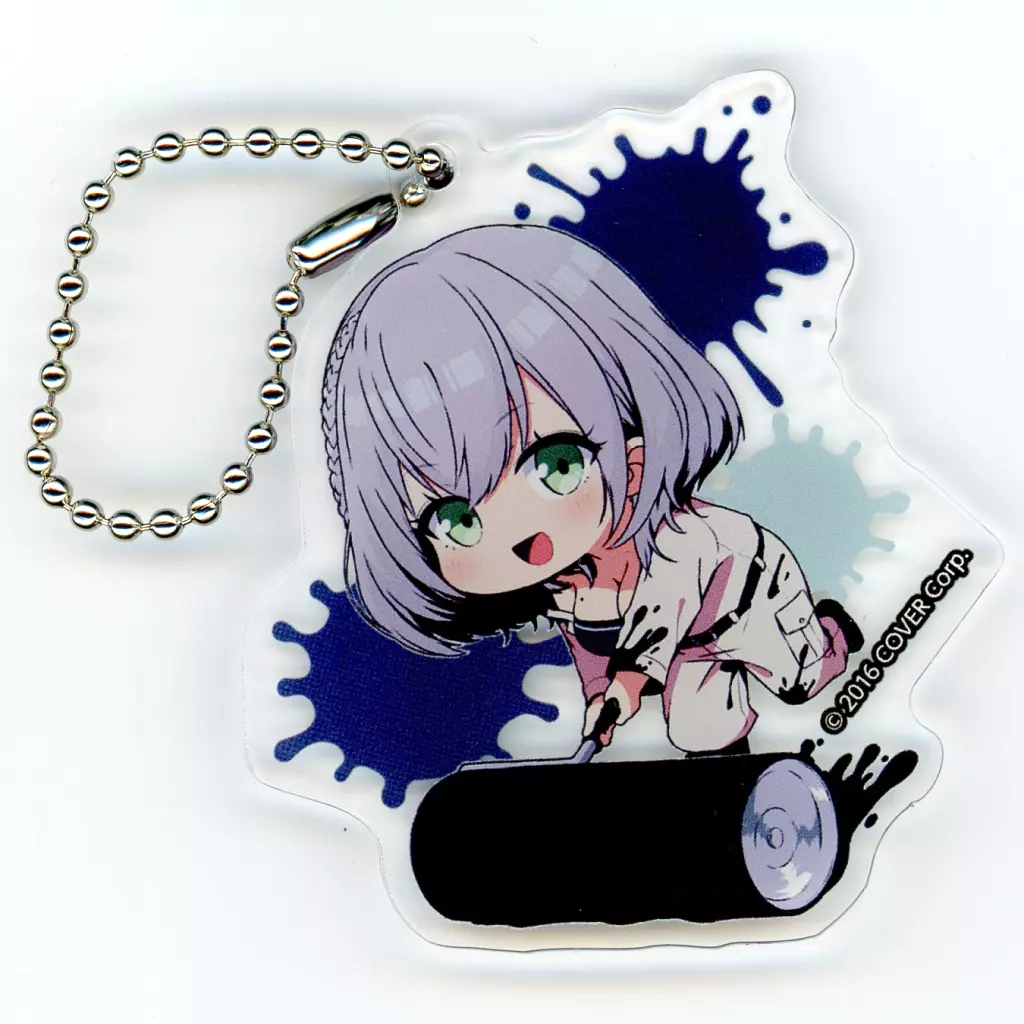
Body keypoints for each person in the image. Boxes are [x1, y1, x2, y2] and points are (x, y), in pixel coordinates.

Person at [321, 223, 861, 755]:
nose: (518, 537)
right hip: (689, 647)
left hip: (750, 592)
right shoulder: (564, 583)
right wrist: (600, 694)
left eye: (556, 465)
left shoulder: (678, 540)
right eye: (457, 521)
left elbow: (659, 618)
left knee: (801, 677)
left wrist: (624, 686)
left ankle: (832, 634)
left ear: (634, 454)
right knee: (699, 731)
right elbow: (588, 642)